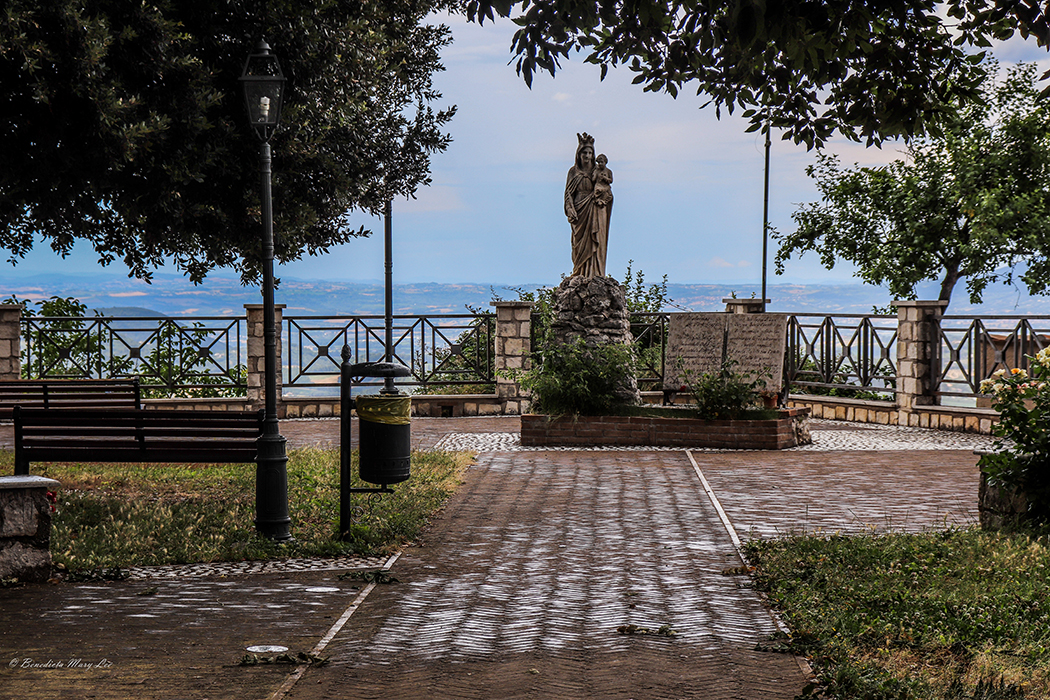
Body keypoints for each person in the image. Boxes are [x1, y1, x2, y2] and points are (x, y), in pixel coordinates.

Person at [564, 134, 613, 278]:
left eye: (590, 152)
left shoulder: (598, 171)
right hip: (579, 211)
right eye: (584, 152)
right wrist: (570, 209)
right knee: (578, 244)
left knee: (596, 239)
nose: (587, 155)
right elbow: (568, 194)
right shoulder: (573, 172)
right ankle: (580, 272)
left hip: (596, 209)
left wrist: (602, 199)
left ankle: (596, 274)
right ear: (578, 154)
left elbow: (607, 189)